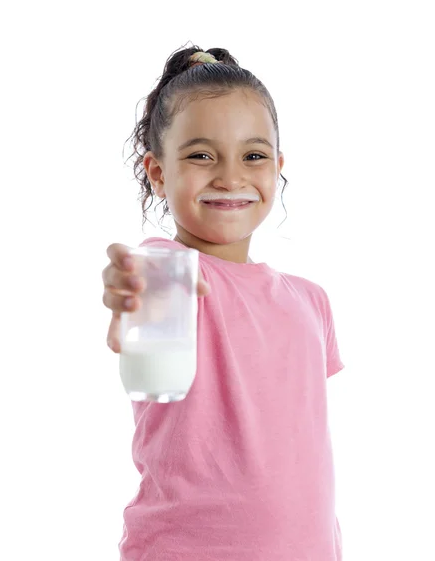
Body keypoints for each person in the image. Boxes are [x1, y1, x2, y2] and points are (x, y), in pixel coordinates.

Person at [102, 45, 345, 561]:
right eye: (200, 155)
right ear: (158, 172)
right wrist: (134, 292)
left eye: (253, 156)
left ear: (277, 166)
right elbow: (149, 357)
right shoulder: (166, 273)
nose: (231, 177)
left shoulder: (311, 300)